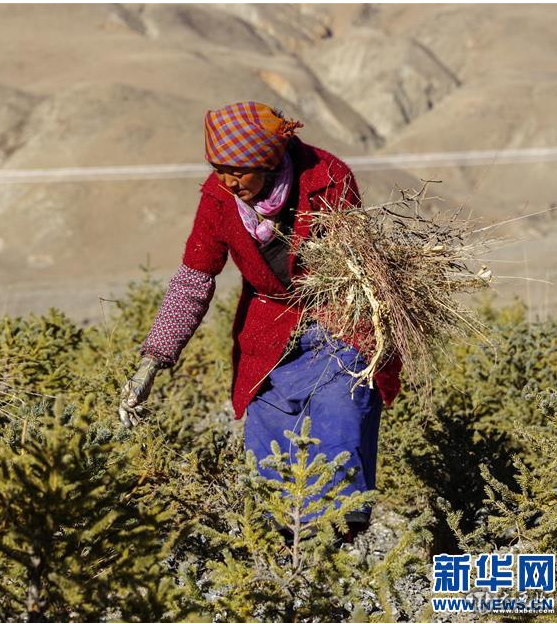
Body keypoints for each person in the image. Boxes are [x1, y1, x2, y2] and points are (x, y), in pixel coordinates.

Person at [118, 102, 402, 534]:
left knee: (342, 421)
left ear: (268, 162)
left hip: (338, 326)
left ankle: (341, 539)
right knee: (271, 461)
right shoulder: (218, 199)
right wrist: (152, 362)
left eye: (239, 171)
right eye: (219, 170)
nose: (229, 182)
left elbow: (350, 262)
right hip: (269, 337)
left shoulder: (327, 178)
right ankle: (283, 551)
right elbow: (194, 278)